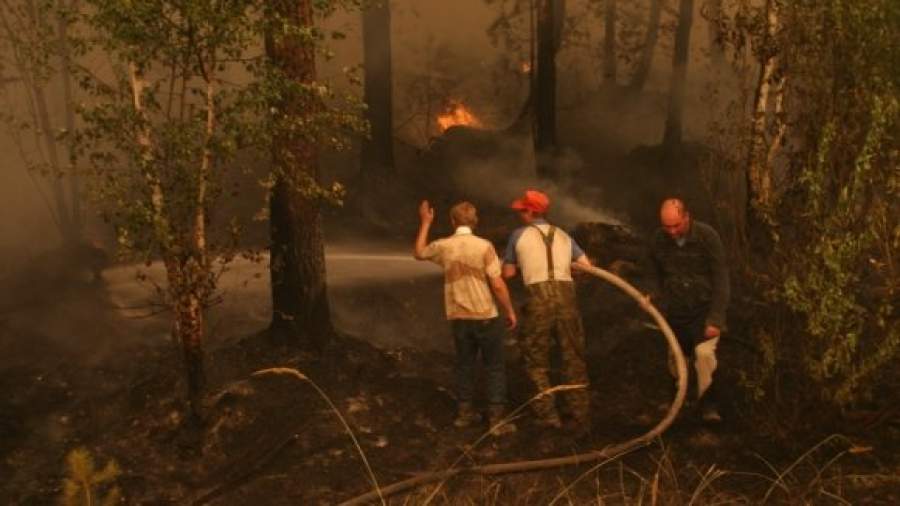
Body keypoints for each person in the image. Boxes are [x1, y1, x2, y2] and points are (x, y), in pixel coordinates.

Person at [414, 199, 519, 436]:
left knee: (464, 365)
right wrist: (510, 310)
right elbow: (498, 284)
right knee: (494, 367)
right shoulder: (484, 246)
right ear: (475, 222)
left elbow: (419, 253)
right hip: (485, 316)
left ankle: (464, 415)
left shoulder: (444, 246)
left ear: (452, 222)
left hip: (458, 317)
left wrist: (425, 222)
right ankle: (496, 422)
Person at [502, 189, 593, 431]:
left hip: (538, 301)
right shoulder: (563, 235)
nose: (520, 213)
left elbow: (508, 273)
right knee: (573, 357)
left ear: (531, 211)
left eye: (522, 210)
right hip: (566, 300)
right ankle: (580, 414)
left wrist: (523, 265)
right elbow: (586, 266)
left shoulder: (518, 236)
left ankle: (548, 416)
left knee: (535, 359)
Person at [649, 198, 730, 423]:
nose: (672, 232)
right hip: (675, 312)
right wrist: (652, 293)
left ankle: (708, 406)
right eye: (667, 227)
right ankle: (678, 402)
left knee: (704, 357)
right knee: (676, 359)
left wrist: (716, 318)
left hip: (703, 311)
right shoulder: (658, 240)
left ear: (687, 216)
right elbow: (654, 272)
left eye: (676, 225)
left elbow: (721, 278)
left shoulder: (707, 236)